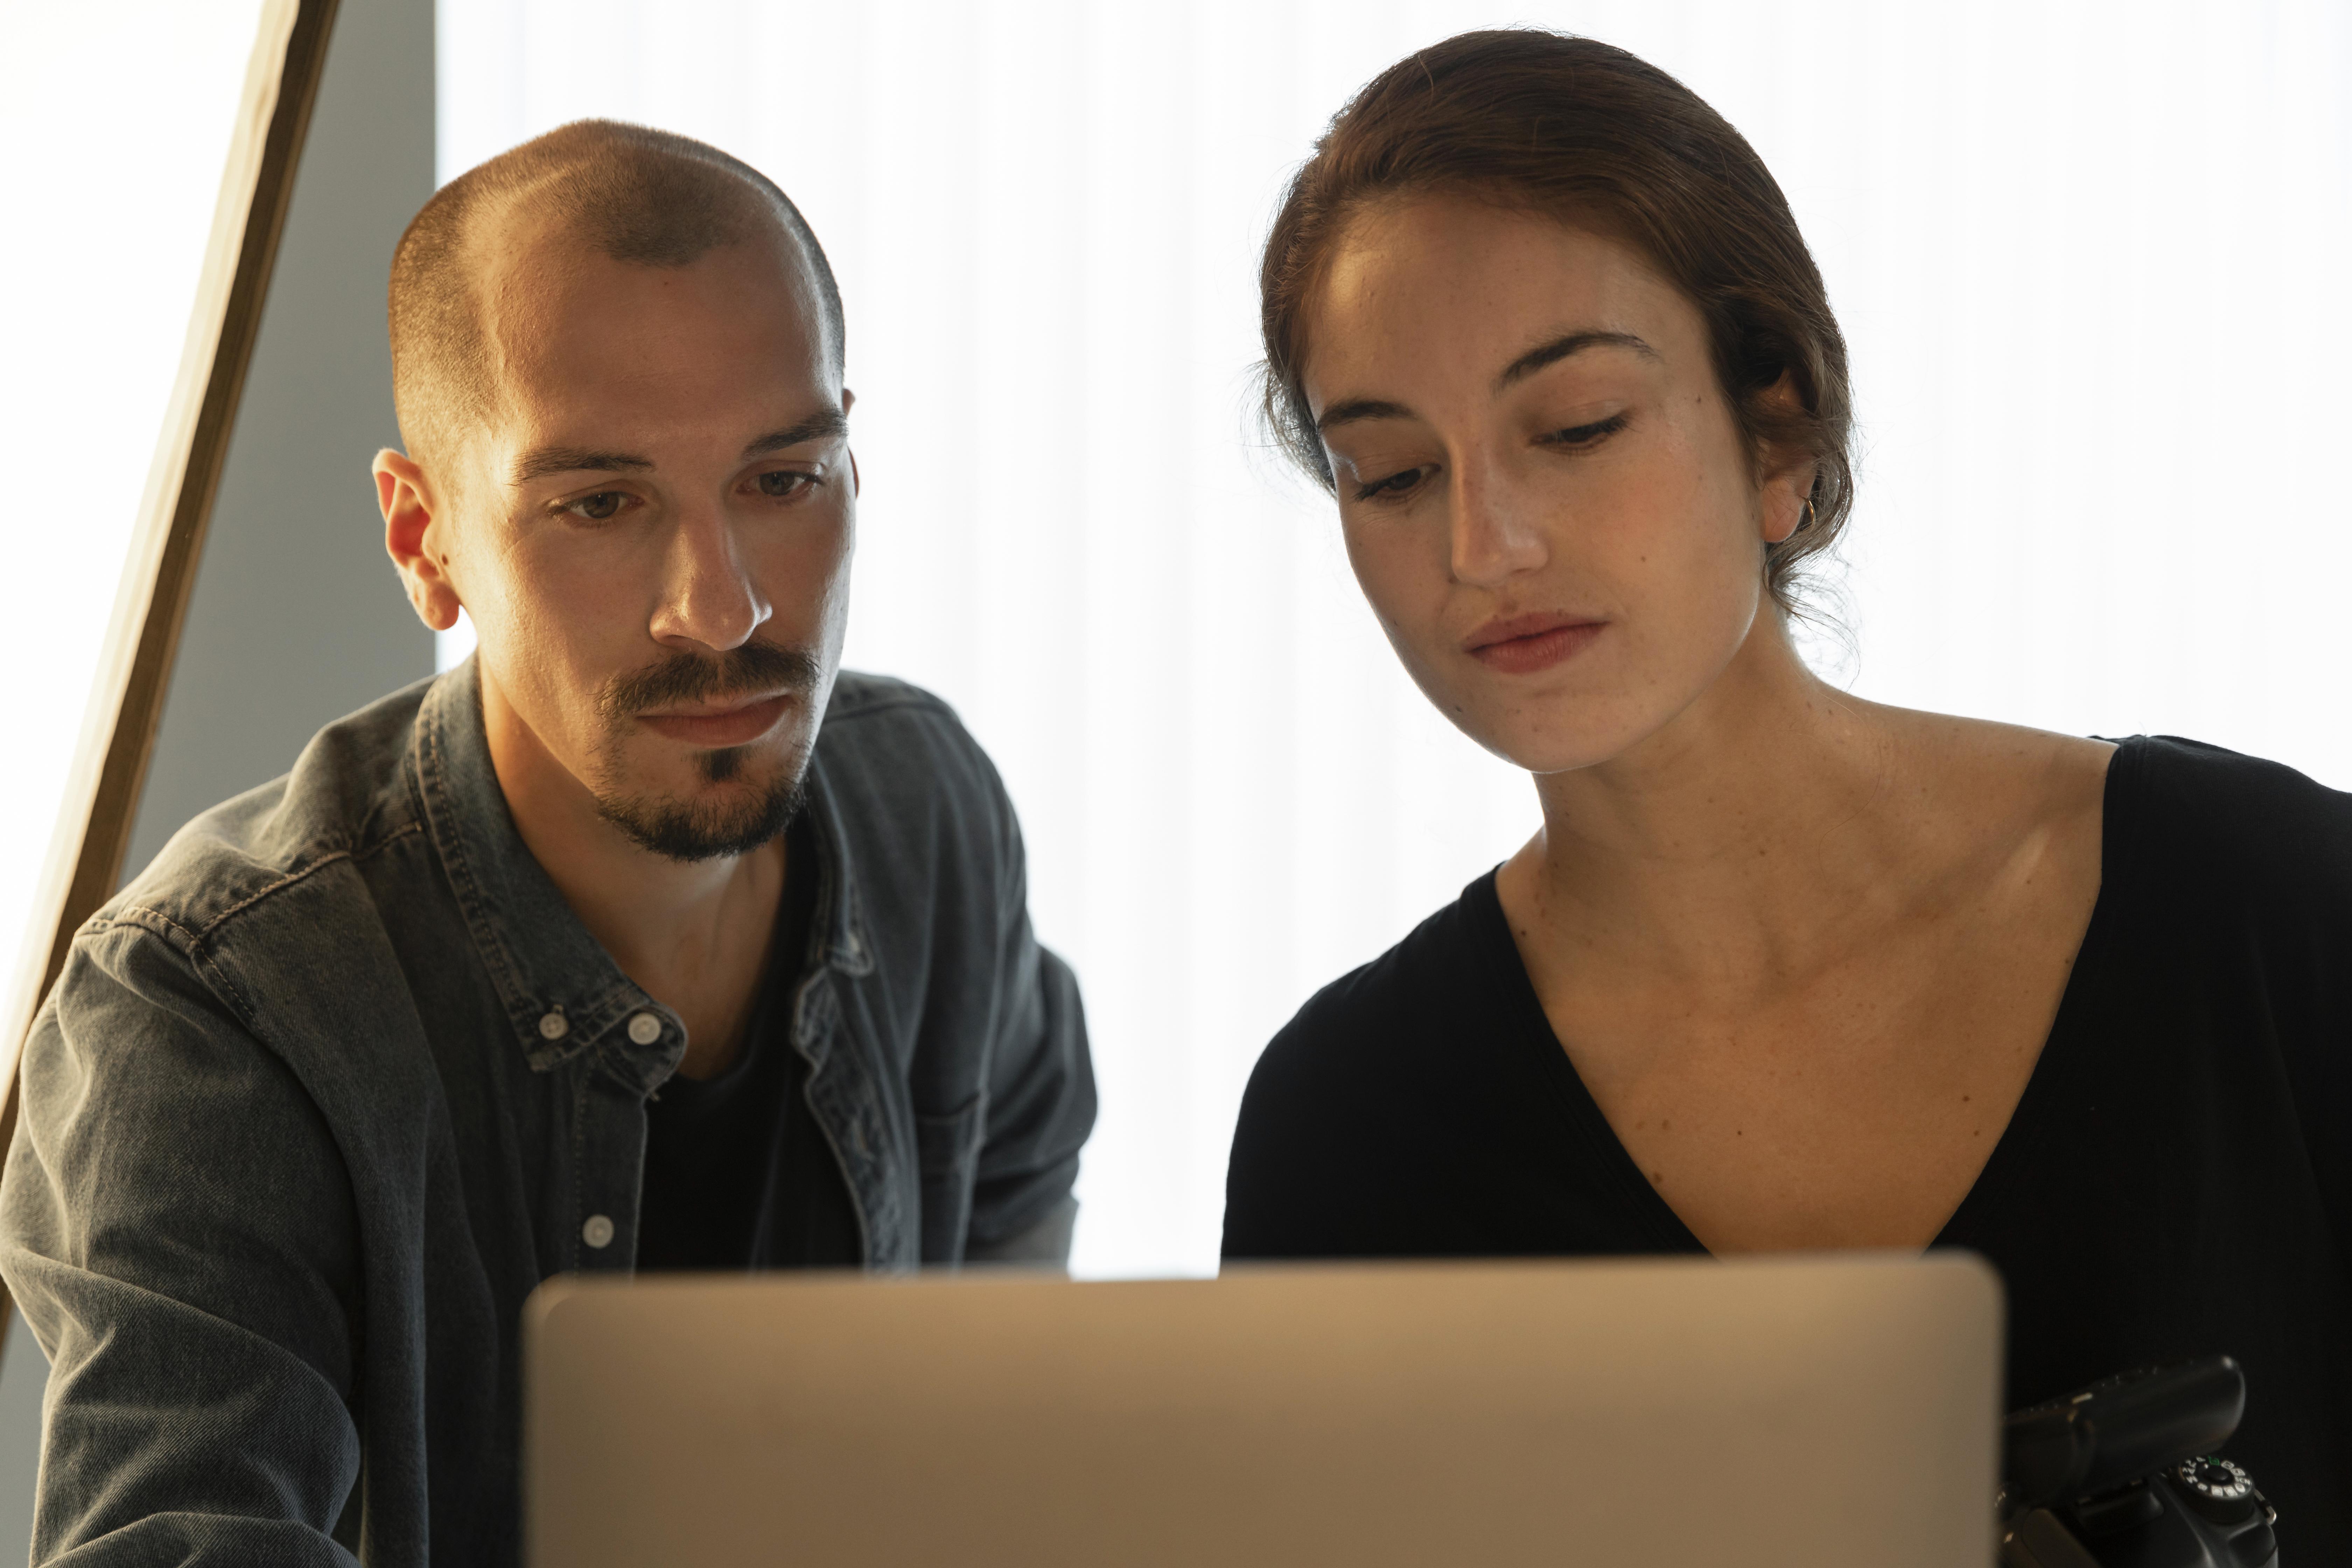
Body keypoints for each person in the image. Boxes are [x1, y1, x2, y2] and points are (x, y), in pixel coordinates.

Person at [1219, 29, 2349, 1546]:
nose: (1480, 547)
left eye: (1576, 428)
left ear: (1782, 428)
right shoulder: (1350, 1130)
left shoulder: (2261, 907)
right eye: (1395, 474)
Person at [0, 121, 1095, 1564]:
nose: (726, 610)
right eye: (601, 504)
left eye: (784, 479)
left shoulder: (923, 812)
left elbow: (1015, 1206)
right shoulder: (213, 1012)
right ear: (425, 541)